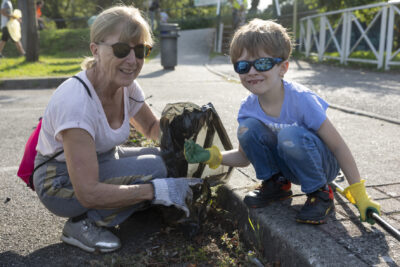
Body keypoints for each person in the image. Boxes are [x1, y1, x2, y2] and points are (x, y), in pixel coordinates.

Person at [33, 5, 201, 253]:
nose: (133, 61)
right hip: (59, 182)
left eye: (141, 50)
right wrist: (156, 189)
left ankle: (128, 204)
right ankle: (83, 224)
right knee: (155, 169)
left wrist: (185, 140)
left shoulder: (128, 87)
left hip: (102, 159)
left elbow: (152, 127)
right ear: (96, 50)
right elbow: (88, 192)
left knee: (162, 158)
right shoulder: (76, 102)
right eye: (122, 49)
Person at [184, 19, 381, 225]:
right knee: (247, 129)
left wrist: (360, 195)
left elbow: (338, 147)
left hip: (322, 166)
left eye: (262, 63)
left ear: (283, 68)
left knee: (289, 135)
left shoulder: (302, 100)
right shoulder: (248, 108)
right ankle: (276, 184)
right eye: (243, 66)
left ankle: (321, 194)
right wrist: (208, 155)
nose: (251, 71)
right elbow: (244, 157)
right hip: (289, 166)